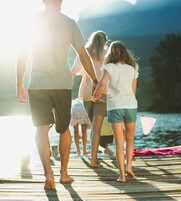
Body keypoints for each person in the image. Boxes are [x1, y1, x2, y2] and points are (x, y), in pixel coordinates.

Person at [16, 0, 99, 190]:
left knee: (41, 129)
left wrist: (19, 83)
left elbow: (21, 54)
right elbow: (83, 55)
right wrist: (94, 79)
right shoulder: (69, 23)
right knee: (64, 129)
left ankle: (48, 174)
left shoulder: (32, 22)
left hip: (37, 84)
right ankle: (63, 173)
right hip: (62, 84)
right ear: (59, 2)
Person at [93, 41, 139, 183]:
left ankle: (122, 176)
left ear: (111, 53)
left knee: (119, 143)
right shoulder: (132, 69)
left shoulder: (109, 67)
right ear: (125, 52)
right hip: (131, 106)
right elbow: (133, 91)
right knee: (130, 139)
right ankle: (129, 167)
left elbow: (102, 83)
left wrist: (96, 95)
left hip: (115, 107)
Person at [72, 30, 108, 168]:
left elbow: (74, 71)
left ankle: (94, 158)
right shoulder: (106, 53)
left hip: (86, 94)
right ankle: (94, 159)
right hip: (102, 92)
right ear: (104, 41)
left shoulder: (84, 53)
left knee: (93, 127)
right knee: (96, 128)